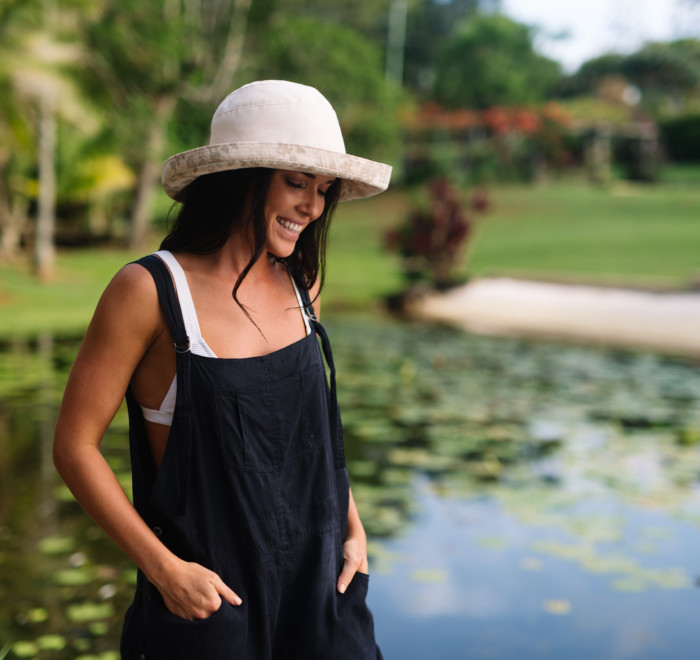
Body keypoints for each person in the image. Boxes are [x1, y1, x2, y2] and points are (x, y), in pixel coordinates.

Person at [53, 80, 392, 659]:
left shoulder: (302, 284)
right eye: (295, 183)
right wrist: (163, 571)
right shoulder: (150, 291)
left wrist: (352, 526)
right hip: (214, 611)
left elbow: (309, 433)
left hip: (324, 599)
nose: (312, 206)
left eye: (323, 189)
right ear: (241, 177)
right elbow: (74, 447)